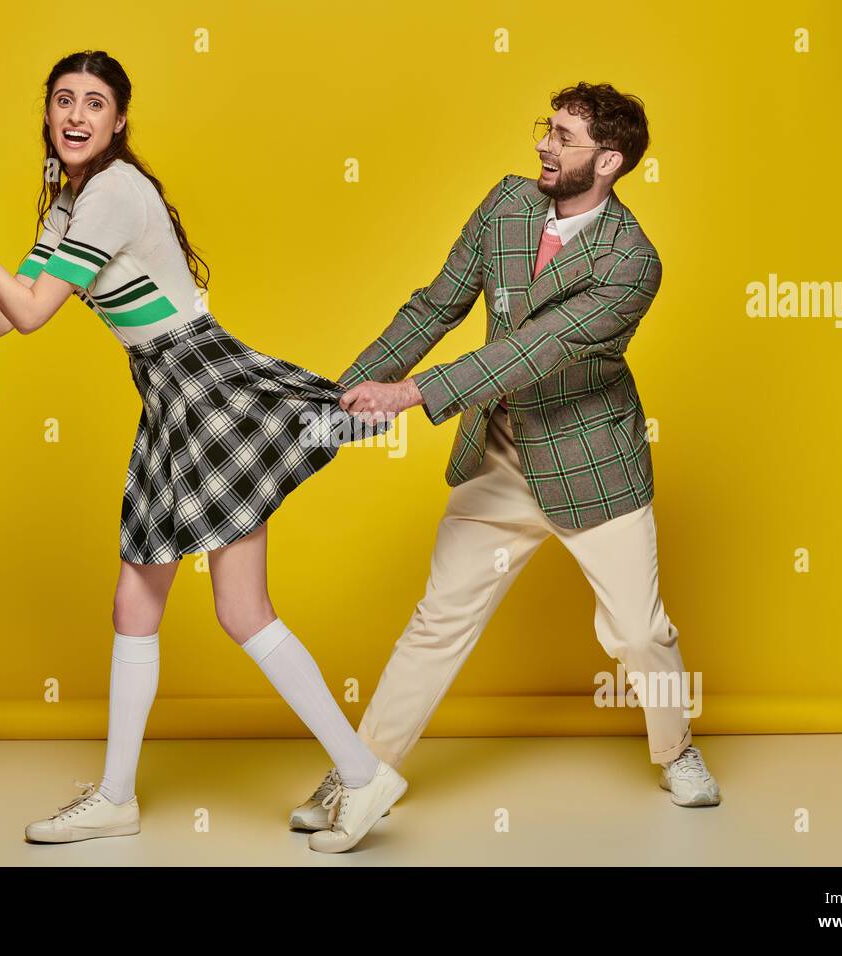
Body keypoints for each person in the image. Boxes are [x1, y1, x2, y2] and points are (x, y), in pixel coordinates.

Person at [0, 49, 406, 853]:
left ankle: (363, 777)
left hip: (205, 389)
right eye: (64, 101)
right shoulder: (68, 200)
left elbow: (34, 314)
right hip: (169, 397)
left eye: (95, 104)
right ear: (47, 112)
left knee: (240, 612)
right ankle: (118, 797)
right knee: (138, 604)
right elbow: (4, 318)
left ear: (119, 122)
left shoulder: (111, 193)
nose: (77, 116)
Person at [289, 82, 721, 830]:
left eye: (563, 136)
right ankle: (361, 771)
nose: (543, 145)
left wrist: (415, 395)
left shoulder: (631, 262)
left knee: (638, 634)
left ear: (610, 160)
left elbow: (537, 348)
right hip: (499, 456)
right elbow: (436, 305)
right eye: (545, 129)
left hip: (592, 468)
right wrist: (352, 389)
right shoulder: (506, 206)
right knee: (438, 619)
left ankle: (675, 748)